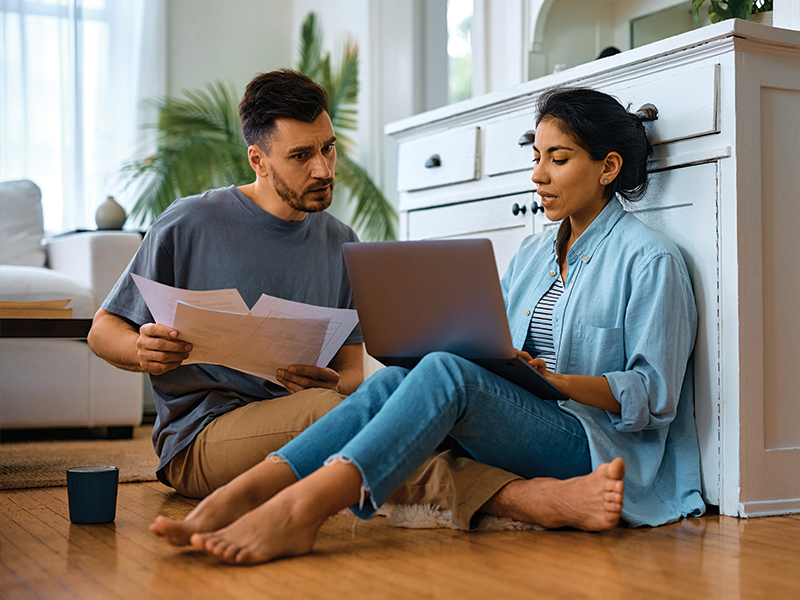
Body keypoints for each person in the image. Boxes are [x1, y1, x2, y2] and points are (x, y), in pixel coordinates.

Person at [149, 86, 706, 565]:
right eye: (535, 157)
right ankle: (246, 493)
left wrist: (557, 382)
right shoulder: (533, 256)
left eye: (557, 160)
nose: (537, 175)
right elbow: (495, 346)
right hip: (531, 418)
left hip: (597, 443)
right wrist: (499, 360)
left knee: (447, 373)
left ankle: (301, 509)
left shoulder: (650, 259)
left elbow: (654, 396)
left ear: (607, 167)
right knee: (394, 380)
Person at [89, 68, 524, 528]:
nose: (323, 169)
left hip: (306, 415)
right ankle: (512, 500)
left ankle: (508, 480)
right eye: (301, 155)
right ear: (258, 160)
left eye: (328, 148)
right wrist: (142, 350)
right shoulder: (190, 223)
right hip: (199, 439)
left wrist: (330, 382)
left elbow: (353, 373)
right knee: (331, 416)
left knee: (386, 394)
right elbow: (102, 330)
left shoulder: (341, 241)